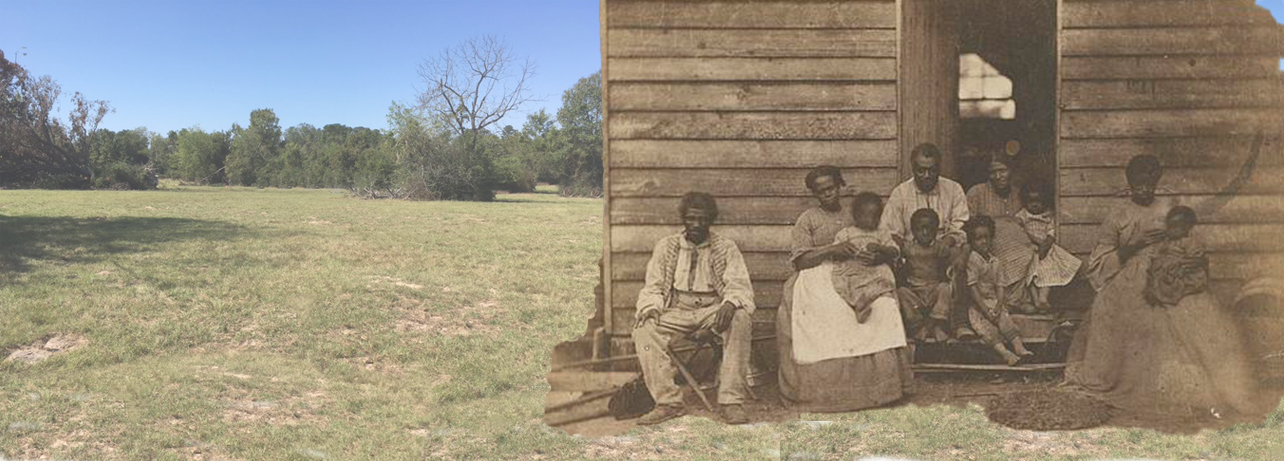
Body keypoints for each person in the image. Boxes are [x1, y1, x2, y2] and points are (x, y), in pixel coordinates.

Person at [1063, 155, 1263, 423]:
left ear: (1156, 182)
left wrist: (1177, 252)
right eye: (1138, 185)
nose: (1144, 190)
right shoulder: (1118, 215)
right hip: (1132, 273)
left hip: (1170, 268)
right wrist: (1135, 245)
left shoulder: (1169, 206)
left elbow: (1189, 233)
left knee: (1194, 315)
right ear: (1129, 184)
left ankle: (1198, 390)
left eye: (1149, 184)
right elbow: (1101, 258)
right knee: (1115, 310)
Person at [777, 166, 913, 412]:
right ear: (814, 194)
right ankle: (827, 392)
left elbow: (879, 238)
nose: (827, 194)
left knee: (883, 305)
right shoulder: (807, 219)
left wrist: (875, 254)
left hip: (859, 271)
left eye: (830, 188)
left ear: (840, 186)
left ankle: (881, 388)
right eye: (820, 192)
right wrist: (831, 250)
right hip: (818, 273)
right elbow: (800, 261)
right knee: (830, 308)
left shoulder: (856, 213)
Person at [632, 192, 755, 426]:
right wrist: (650, 308)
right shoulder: (667, 246)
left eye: (703, 219)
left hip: (712, 308)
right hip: (677, 308)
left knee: (741, 318)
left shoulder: (725, 247)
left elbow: (739, 284)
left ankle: (731, 401)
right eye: (691, 219)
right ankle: (669, 402)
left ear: (711, 220)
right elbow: (654, 286)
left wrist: (730, 303)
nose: (696, 225)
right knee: (643, 329)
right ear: (683, 219)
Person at [881, 143, 973, 338]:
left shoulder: (953, 189)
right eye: (921, 170)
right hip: (912, 255)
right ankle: (911, 326)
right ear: (913, 168)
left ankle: (960, 322)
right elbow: (890, 231)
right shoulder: (901, 193)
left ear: (939, 168)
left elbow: (961, 225)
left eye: (932, 170)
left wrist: (947, 241)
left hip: (944, 250)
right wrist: (905, 248)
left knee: (961, 259)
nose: (926, 175)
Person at [963, 216, 1035, 366]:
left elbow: (1000, 286)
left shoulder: (995, 261)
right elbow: (973, 288)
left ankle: (1019, 348)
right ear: (971, 241)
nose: (984, 242)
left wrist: (999, 305)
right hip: (978, 305)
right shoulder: (973, 260)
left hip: (994, 302)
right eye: (978, 238)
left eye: (987, 237)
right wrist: (985, 310)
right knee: (987, 328)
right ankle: (1005, 353)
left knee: (1005, 321)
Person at [831, 192, 900, 324]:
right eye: (866, 216)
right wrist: (845, 250)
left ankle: (865, 302)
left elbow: (895, 251)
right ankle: (859, 305)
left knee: (884, 284)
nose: (871, 220)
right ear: (856, 216)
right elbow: (836, 251)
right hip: (853, 268)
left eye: (876, 216)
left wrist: (881, 249)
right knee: (849, 284)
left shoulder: (882, 233)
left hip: (875, 269)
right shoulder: (846, 233)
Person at [1015, 182, 1081, 312]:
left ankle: (1043, 298)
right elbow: (1018, 232)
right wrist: (1031, 242)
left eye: (1038, 201)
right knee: (1029, 272)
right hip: (1029, 248)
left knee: (1048, 269)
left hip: (1046, 249)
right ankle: (1036, 301)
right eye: (1030, 201)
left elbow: (1051, 233)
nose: (1034, 204)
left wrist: (1045, 246)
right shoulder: (1021, 216)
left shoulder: (1049, 215)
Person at [895, 208, 955, 343]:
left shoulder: (940, 248)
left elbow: (953, 256)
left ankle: (937, 325)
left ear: (936, 230)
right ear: (913, 230)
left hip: (934, 291)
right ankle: (918, 327)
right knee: (902, 292)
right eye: (920, 229)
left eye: (930, 229)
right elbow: (894, 240)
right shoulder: (908, 248)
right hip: (915, 292)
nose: (925, 232)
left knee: (945, 288)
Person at [1143, 206, 1206, 308]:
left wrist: (1178, 264)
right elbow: (1157, 253)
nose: (1171, 230)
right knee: (1156, 280)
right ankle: (1158, 295)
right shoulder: (1166, 240)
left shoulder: (1190, 242)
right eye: (1169, 227)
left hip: (1182, 272)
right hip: (1165, 271)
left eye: (1176, 227)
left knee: (1174, 284)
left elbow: (1196, 260)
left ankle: (1167, 297)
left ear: (1187, 227)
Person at [966, 151, 1023, 219]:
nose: (997, 176)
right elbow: (969, 223)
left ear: (1011, 171)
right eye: (993, 172)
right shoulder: (976, 193)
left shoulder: (1019, 193)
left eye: (1002, 171)